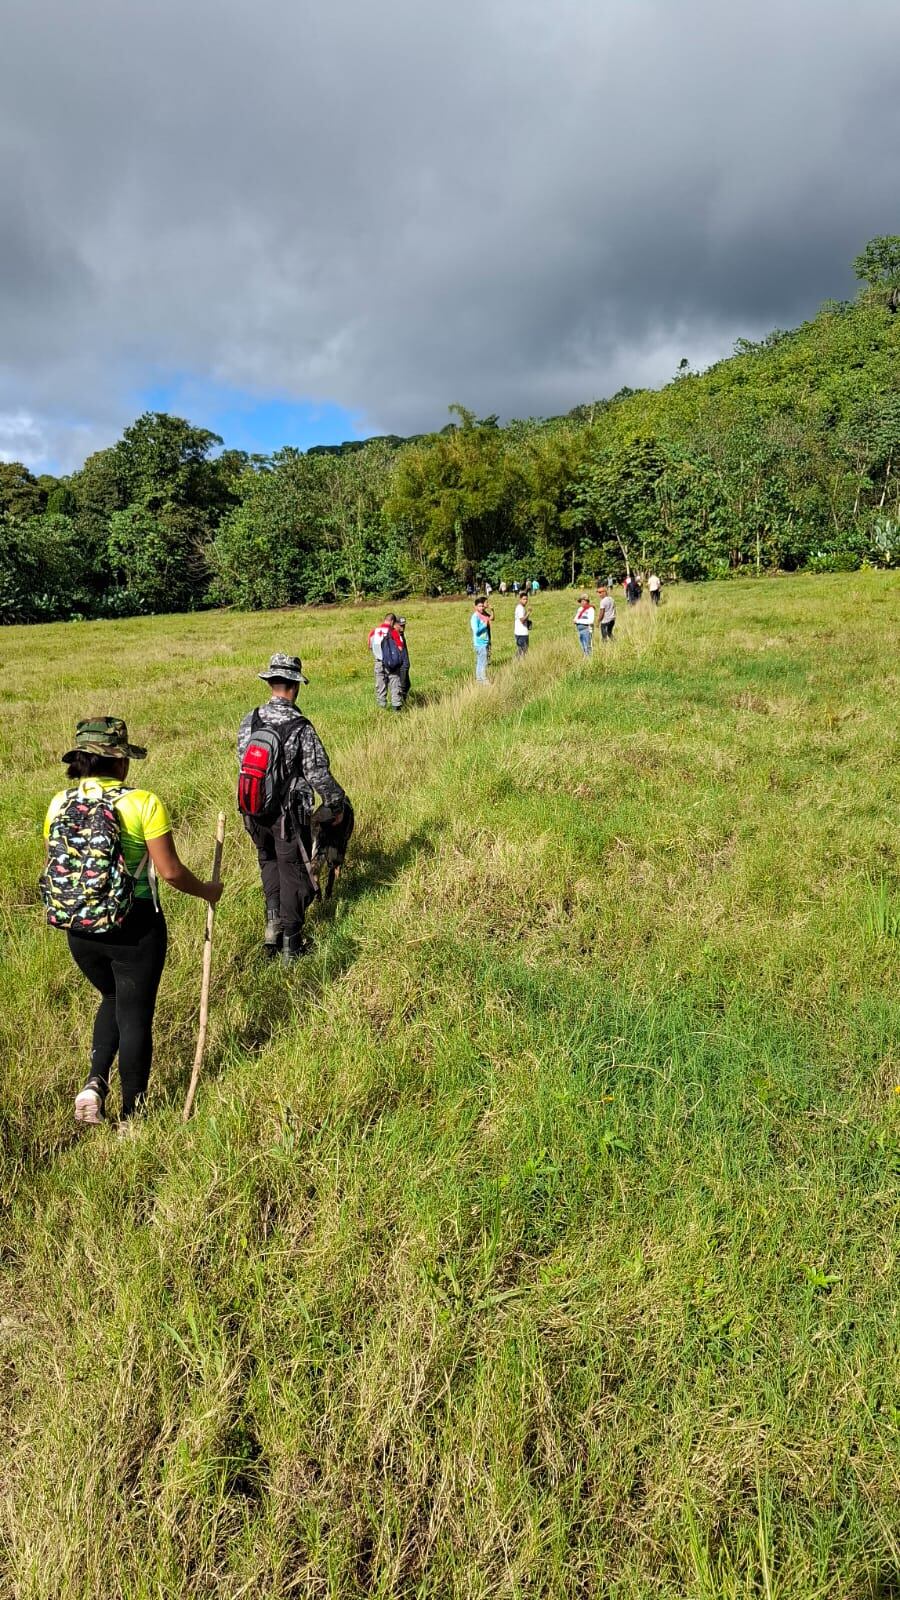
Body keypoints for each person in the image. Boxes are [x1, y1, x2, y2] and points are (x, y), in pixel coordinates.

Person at [41, 716, 222, 1128]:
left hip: (79, 928)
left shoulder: (58, 803)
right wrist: (208, 891)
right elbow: (171, 872)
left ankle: (93, 1083)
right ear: (120, 762)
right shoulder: (142, 803)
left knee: (112, 999)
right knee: (136, 1016)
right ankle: (132, 1118)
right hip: (134, 927)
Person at [238, 654, 347, 964]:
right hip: (288, 815)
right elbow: (318, 774)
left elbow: (242, 762)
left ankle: (272, 932)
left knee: (268, 865)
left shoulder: (251, 719)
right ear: (296, 686)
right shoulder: (301, 727)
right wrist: (335, 803)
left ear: (272, 683)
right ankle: (293, 946)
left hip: (253, 812)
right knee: (293, 875)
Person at [367, 612, 405, 711]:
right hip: (392, 664)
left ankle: (382, 709)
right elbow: (400, 648)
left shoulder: (374, 632)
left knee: (380, 686)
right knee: (394, 684)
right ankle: (396, 709)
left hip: (378, 662)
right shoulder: (394, 632)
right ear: (392, 621)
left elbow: (370, 647)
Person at [470, 597, 493, 681]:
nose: (481, 608)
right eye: (479, 606)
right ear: (475, 607)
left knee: (480, 662)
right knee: (483, 663)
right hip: (480, 644)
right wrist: (484, 625)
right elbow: (476, 631)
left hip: (484, 643)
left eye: (482, 606)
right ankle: (483, 680)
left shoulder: (482, 616)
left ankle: (479, 679)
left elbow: (492, 618)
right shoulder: (475, 617)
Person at [396, 616, 411, 699]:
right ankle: (401, 704)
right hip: (400, 665)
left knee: (407, 685)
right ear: (395, 624)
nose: (402, 628)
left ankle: (403, 701)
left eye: (404, 625)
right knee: (402, 686)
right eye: (400, 626)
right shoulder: (394, 635)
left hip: (405, 665)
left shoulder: (401, 634)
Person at [513, 590, 531, 656]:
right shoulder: (520, 608)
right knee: (522, 651)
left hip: (522, 632)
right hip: (521, 633)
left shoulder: (522, 608)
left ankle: (517, 664)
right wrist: (528, 613)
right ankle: (518, 664)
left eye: (526, 599)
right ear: (520, 599)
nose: (525, 600)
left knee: (522, 651)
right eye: (524, 599)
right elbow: (522, 620)